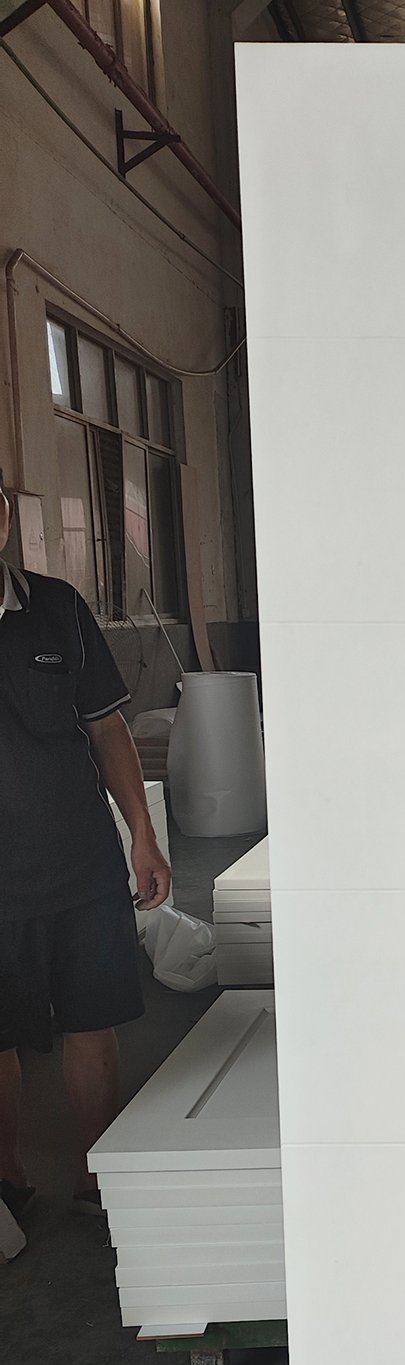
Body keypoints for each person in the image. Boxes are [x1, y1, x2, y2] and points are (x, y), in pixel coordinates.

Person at [0, 482, 171, 1223]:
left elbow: (107, 727)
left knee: (91, 1022)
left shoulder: (58, 607)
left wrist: (143, 834)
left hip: (79, 864)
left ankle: (98, 1172)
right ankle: (7, 1179)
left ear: (5, 515)